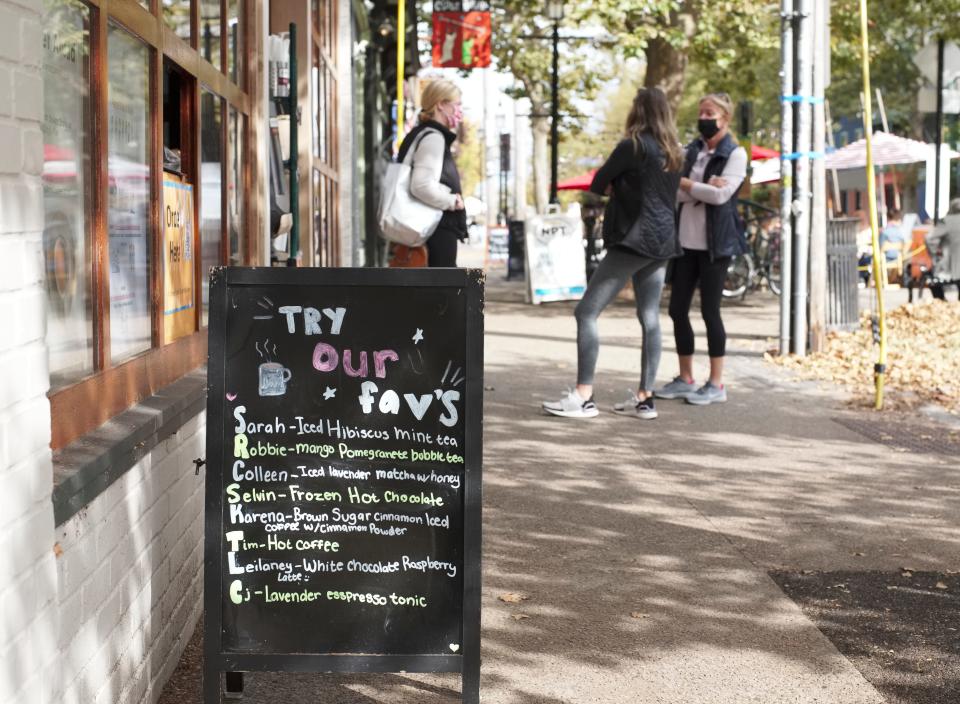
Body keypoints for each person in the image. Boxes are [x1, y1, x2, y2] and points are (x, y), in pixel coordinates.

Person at [542, 87, 683, 420]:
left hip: (634, 238)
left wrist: (617, 186)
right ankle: (646, 399)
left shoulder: (632, 146)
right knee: (649, 317)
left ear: (638, 111)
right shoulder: (675, 152)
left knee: (586, 312)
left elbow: (598, 182)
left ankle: (583, 396)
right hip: (663, 241)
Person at [656, 92, 748, 406]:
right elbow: (673, 190)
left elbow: (721, 197)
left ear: (724, 118)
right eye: (701, 113)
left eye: (709, 113)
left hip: (715, 246)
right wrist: (697, 187)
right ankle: (685, 378)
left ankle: (716, 383)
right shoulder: (690, 151)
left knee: (710, 312)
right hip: (684, 244)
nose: (704, 119)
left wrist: (686, 185)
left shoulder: (735, 154)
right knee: (677, 310)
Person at [395, 79, 466, 267]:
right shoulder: (433, 138)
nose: (459, 111)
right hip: (434, 230)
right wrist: (453, 201)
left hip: (427, 229)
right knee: (441, 290)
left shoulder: (422, 134)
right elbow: (421, 185)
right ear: (441, 105)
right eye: (456, 104)